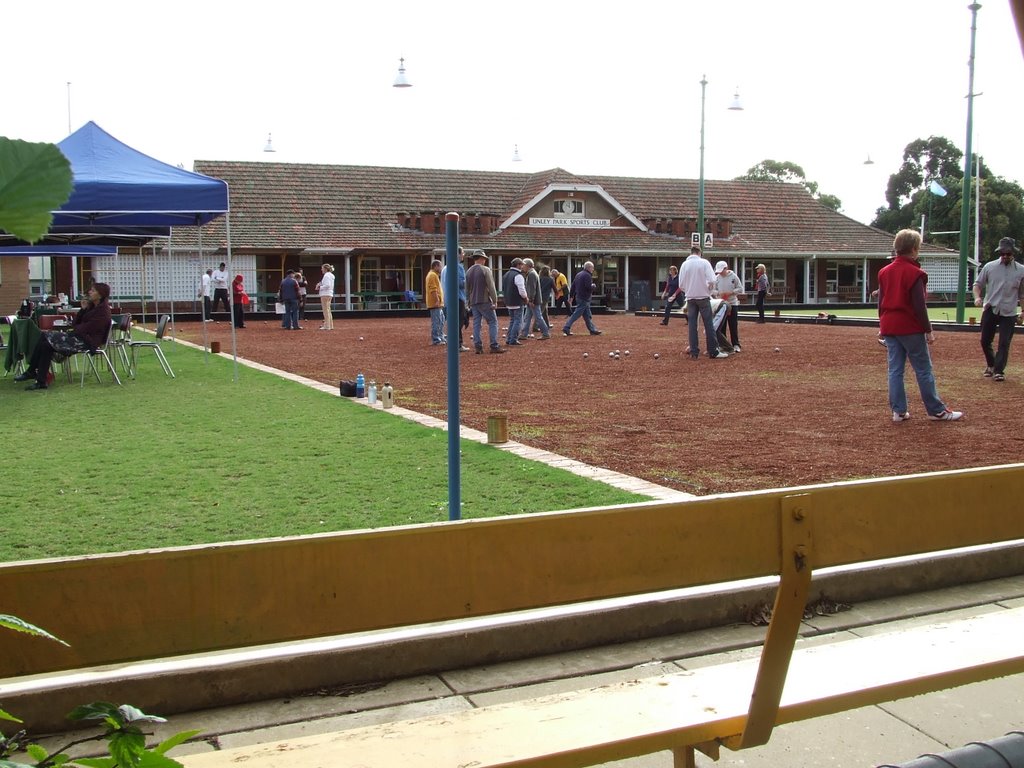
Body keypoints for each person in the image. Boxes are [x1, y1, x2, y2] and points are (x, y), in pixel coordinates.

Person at [878, 229, 962, 422]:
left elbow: (881, 302)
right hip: (910, 326)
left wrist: (882, 325)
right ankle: (936, 410)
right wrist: (928, 330)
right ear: (915, 249)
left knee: (895, 369)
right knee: (923, 369)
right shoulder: (915, 273)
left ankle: (898, 411)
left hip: (890, 325)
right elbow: (919, 306)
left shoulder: (884, 271)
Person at [15, 282, 112, 391]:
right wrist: (83, 309)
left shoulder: (103, 311)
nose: (90, 292)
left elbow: (86, 328)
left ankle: (33, 372)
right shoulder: (91, 307)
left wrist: (76, 328)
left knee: (46, 340)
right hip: (79, 337)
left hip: (87, 342)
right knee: (45, 343)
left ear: (100, 295)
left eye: (93, 291)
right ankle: (40, 380)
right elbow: (76, 323)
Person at [972, 237, 1024, 382]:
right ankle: (991, 364)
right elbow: (977, 284)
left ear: (1013, 253)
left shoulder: (1021, 271)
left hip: (1009, 311)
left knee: (1004, 342)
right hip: (991, 307)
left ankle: (999, 371)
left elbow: (1022, 294)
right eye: (1003, 253)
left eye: (1008, 253)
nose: (1005, 256)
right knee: (984, 340)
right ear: (999, 252)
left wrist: (1023, 312)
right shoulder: (989, 267)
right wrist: (977, 297)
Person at [677, 246, 726, 359]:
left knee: (692, 325)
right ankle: (713, 351)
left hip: (690, 298)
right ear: (699, 253)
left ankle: (694, 352)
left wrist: (688, 290)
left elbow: (681, 285)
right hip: (703, 297)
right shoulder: (704, 263)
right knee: (708, 324)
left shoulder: (684, 264)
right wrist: (708, 290)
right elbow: (713, 280)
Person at [465, 250, 505, 354]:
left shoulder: (468, 271)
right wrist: (495, 301)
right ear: (481, 258)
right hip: (484, 300)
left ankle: (478, 346)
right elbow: (491, 286)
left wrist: (468, 301)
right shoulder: (485, 270)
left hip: (474, 301)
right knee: (493, 322)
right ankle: (494, 345)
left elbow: (467, 289)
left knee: (477, 324)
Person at [561, 261, 602, 336]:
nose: (593, 269)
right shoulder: (587, 275)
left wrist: (571, 296)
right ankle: (566, 327)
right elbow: (588, 287)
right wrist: (593, 286)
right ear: (589, 268)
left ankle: (592, 330)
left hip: (579, 297)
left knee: (587, 315)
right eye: (592, 268)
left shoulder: (578, 275)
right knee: (576, 314)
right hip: (585, 297)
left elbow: (573, 286)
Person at [441, 247, 470, 351]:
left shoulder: (445, 268)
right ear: (457, 254)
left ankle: (452, 344)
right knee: (459, 322)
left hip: (448, 299)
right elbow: (461, 284)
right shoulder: (458, 267)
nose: (463, 255)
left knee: (452, 322)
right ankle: (458, 344)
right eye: (462, 253)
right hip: (458, 298)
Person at [714, 261, 744, 352]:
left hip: (732, 304)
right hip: (721, 304)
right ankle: (723, 345)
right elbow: (712, 290)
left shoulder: (734, 277)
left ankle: (736, 344)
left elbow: (740, 288)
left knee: (733, 325)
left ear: (726, 268)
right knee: (721, 326)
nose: (720, 273)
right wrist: (719, 293)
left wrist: (731, 292)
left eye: (721, 270)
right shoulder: (716, 278)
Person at [519, 258, 551, 340]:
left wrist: (531, 300)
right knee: (528, 317)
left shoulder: (531, 274)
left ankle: (545, 333)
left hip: (533, 301)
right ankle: (524, 334)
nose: (522, 267)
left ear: (527, 265)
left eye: (523, 265)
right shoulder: (532, 273)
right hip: (533, 300)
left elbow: (532, 289)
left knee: (538, 317)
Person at [502, 258, 528, 345]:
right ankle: (513, 339)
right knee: (518, 321)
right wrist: (525, 298)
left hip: (508, 301)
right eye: (521, 265)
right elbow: (521, 290)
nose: (522, 267)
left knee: (512, 320)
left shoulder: (506, 274)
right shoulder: (518, 275)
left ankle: (509, 338)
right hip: (517, 301)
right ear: (518, 265)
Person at [425, 259, 445, 345]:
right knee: (437, 321)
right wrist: (437, 300)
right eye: (440, 266)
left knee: (441, 320)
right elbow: (433, 289)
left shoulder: (433, 275)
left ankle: (440, 336)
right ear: (436, 266)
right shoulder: (433, 275)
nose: (441, 268)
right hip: (435, 304)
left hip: (437, 304)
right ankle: (436, 339)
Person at [316, 264, 336, 330]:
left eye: (322, 268)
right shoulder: (331, 275)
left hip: (325, 294)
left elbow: (327, 285)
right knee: (328, 310)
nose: (321, 269)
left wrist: (319, 287)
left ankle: (327, 326)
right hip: (329, 294)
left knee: (326, 311)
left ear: (325, 269)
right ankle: (330, 325)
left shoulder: (326, 275)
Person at [538, 265, 555, 330]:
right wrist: (557, 294)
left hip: (539, 296)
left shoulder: (539, 278)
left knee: (545, 311)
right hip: (545, 297)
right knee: (541, 312)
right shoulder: (550, 279)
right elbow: (554, 288)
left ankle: (547, 324)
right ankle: (535, 326)